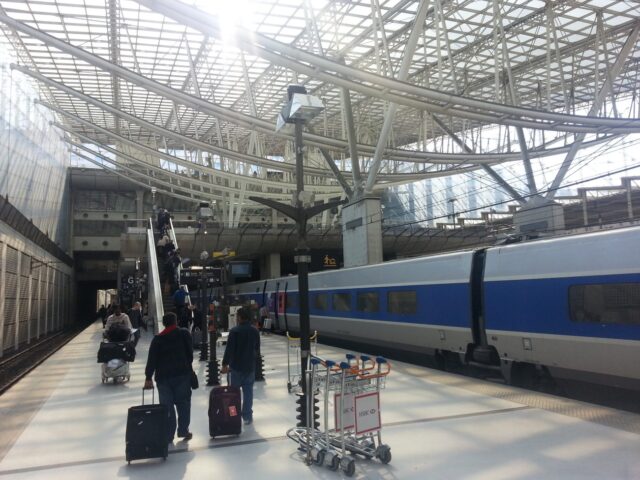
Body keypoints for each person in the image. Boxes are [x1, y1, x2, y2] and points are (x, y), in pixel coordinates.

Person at [144, 312, 194, 444]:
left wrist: (148, 377)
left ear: (164, 324)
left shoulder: (158, 339)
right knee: (183, 404)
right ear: (176, 321)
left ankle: (168, 435)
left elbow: (152, 360)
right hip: (182, 375)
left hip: (163, 378)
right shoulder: (184, 334)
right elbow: (190, 355)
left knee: (167, 407)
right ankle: (183, 430)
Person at [221, 306, 260, 425]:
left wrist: (224, 364)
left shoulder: (234, 331)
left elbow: (229, 350)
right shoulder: (255, 331)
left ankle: (234, 415)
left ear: (239, 317)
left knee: (234, 394)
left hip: (236, 367)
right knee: (248, 393)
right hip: (249, 367)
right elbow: (257, 349)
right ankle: (247, 416)